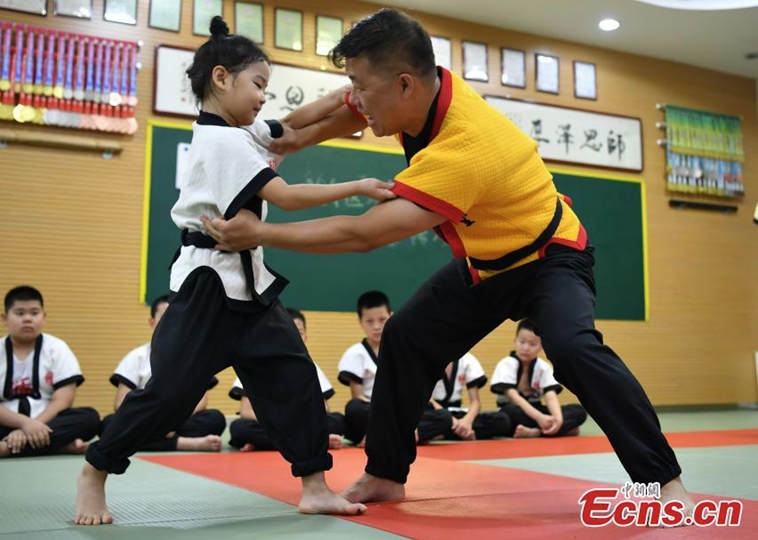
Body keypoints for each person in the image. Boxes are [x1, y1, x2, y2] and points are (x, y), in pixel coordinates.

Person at [202, 8, 694, 512]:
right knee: (405, 336)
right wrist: (284, 135)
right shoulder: (414, 93)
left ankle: (664, 479)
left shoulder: (465, 148)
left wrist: (259, 233)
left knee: (571, 347)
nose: (357, 97)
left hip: (551, 256)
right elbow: (344, 106)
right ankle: (386, 474)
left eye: (363, 85)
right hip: (487, 261)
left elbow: (362, 233)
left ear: (404, 85)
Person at [74, 16, 392, 525]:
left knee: (295, 378)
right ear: (221, 79)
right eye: (258, 85)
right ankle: (96, 469)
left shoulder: (240, 132)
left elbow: (289, 128)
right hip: (207, 287)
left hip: (251, 285)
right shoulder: (220, 142)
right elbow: (283, 198)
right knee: (170, 394)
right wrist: (357, 186)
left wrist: (345, 95)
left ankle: (314, 485)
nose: (264, 98)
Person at [0, 285, 99, 459]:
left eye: (34, 313)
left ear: (44, 316)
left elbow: (64, 399)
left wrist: (33, 426)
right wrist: (24, 424)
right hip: (5, 423)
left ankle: (5, 449)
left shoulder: (57, 348)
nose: (27, 319)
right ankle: (58, 447)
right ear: (5, 318)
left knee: (90, 419)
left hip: (47, 421)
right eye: (19, 313)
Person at [100, 295, 226, 452]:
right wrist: (154, 424)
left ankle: (150, 440)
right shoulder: (137, 356)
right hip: (145, 420)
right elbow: (120, 403)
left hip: (179, 421)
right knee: (109, 424)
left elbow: (201, 402)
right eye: (166, 317)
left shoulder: (195, 356)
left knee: (215, 419)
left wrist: (172, 423)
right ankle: (185, 444)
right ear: (152, 323)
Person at [337, 291, 451, 447]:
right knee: (354, 408)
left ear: (391, 316)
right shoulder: (355, 353)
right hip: (374, 410)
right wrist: (388, 413)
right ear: (360, 322)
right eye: (369, 321)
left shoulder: (404, 349)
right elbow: (358, 396)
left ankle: (389, 434)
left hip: (402, 410)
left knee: (444, 417)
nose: (376, 326)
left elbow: (416, 390)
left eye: (382, 319)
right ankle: (403, 433)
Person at [229, 307, 345, 452]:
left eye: (299, 332)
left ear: (305, 338)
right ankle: (311, 442)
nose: (293, 337)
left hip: (299, 423)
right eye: (287, 332)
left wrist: (295, 422)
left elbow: (324, 408)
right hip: (271, 423)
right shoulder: (255, 364)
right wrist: (280, 421)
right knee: (239, 428)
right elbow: (246, 411)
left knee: (337, 420)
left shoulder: (310, 366)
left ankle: (266, 444)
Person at [490, 319, 587, 438]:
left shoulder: (543, 367)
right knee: (506, 417)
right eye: (522, 342)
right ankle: (559, 430)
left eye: (532, 344)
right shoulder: (505, 364)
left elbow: (550, 397)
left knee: (579, 411)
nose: (526, 348)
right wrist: (539, 418)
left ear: (541, 346)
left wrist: (558, 420)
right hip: (515, 410)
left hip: (537, 408)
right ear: (515, 341)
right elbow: (514, 397)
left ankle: (536, 432)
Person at [430, 352, 510, 441]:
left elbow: (475, 402)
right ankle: (455, 433)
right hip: (433, 412)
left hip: (455, 413)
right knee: (420, 421)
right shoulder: (427, 357)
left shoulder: (466, 359)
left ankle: (442, 433)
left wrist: (467, 422)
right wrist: (451, 420)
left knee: (502, 420)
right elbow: (428, 399)